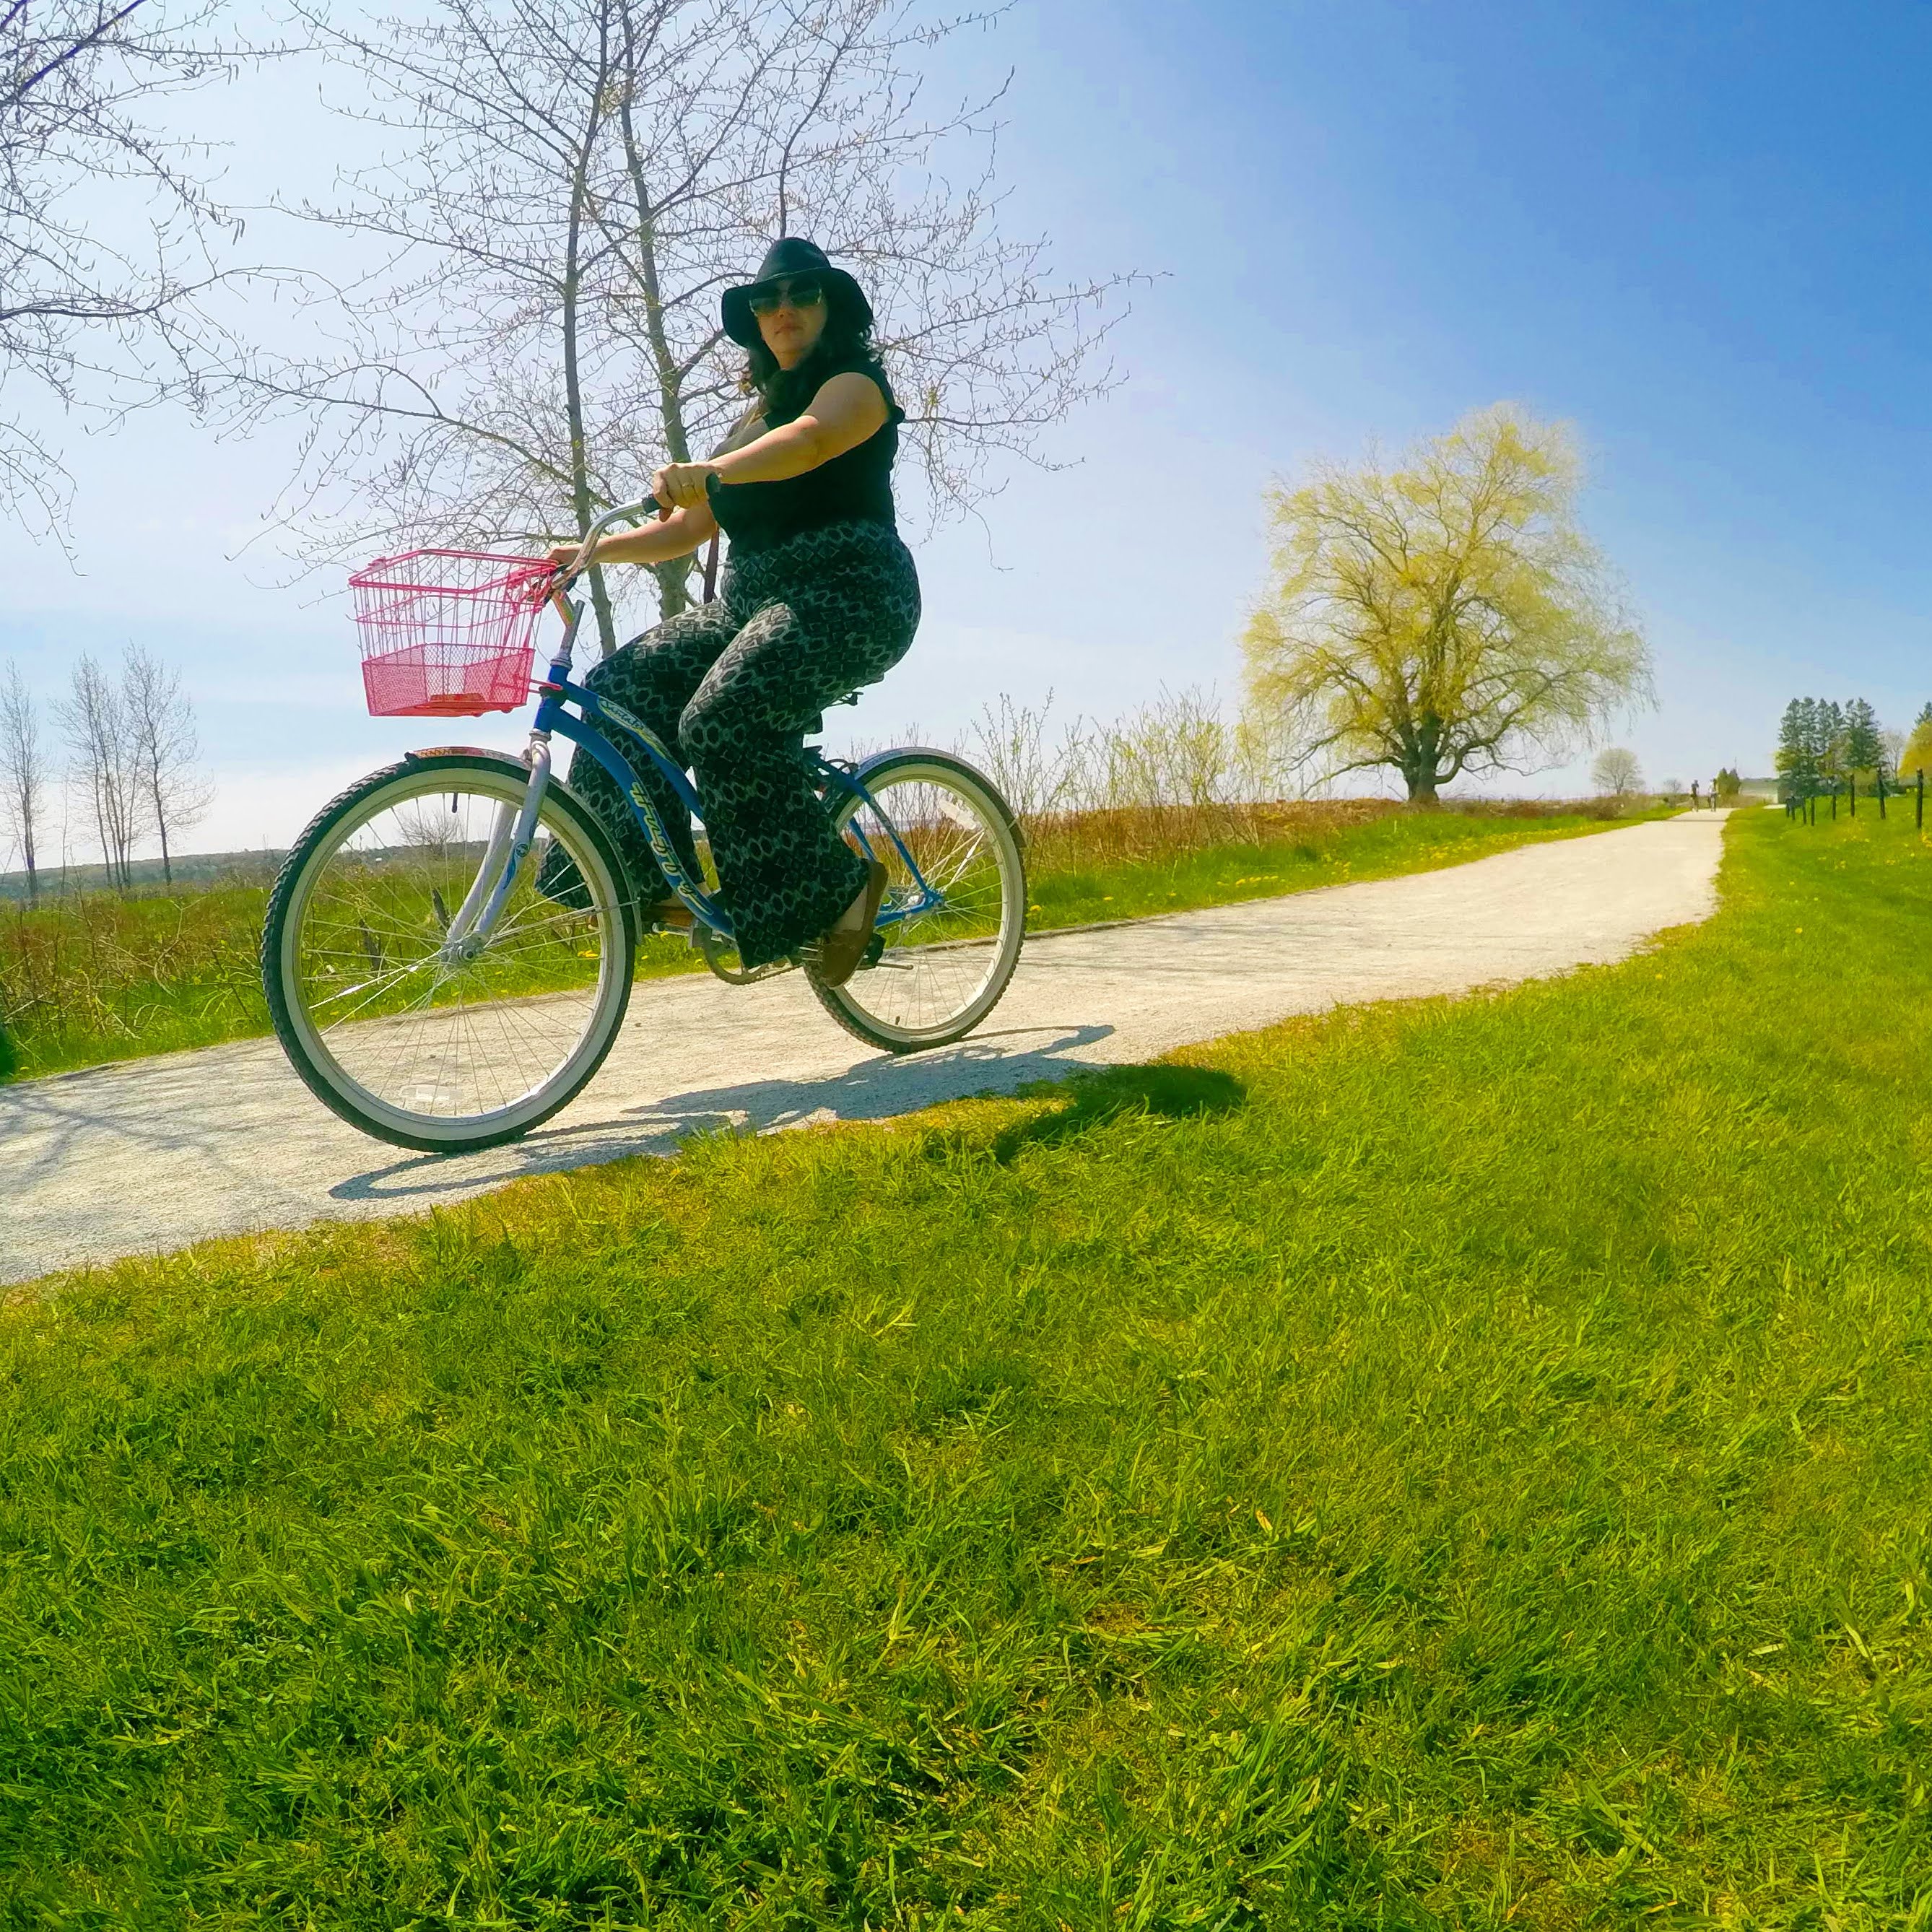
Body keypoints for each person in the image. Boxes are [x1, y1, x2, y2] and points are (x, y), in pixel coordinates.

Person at [542, 238, 918, 985]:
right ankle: (650, 885)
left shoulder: (856, 385)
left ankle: (838, 890)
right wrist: (588, 553)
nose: (783, 310)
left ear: (830, 307)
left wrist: (708, 471)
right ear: (753, 323)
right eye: (766, 301)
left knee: (721, 716)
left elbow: (811, 444)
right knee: (620, 689)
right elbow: (684, 531)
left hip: (847, 592)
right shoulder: (747, 427)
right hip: (751, 602)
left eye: (802, 294)